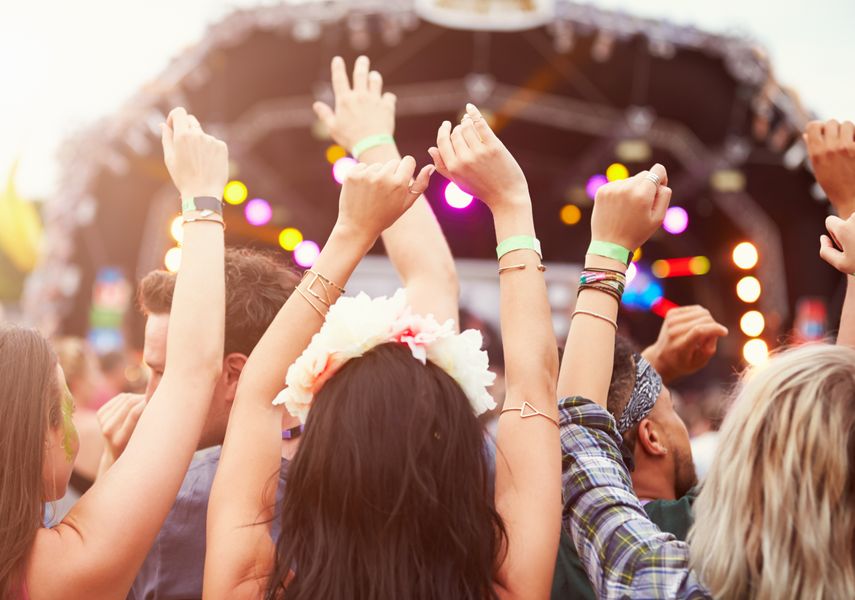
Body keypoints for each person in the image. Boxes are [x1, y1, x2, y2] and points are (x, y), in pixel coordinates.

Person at [94, 55, 460, 600]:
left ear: (239, 374)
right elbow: (433, 279)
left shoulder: (178, 503)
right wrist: (374, 143)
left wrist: (111, 475)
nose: (146, 397)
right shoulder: (399, 458)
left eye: (164, 374)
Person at [204, 100, 561, 598]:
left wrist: (350, 232)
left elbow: (258, 395)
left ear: (316, 470)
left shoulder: (249, 589)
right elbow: (535, 390)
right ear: (460, 464)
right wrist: (512, 206)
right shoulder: (511, 591)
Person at [559, 118, 855, 599]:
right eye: (670, 405)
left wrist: (607, 250)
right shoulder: (691, 526)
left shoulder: (665, 576)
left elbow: (578, 445)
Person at [0, 107, 227, 599]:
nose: (82, 420)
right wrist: (203, 198)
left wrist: (115, 465)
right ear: (32, 435)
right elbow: (194, 372)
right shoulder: (48, 573)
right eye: (66, 408)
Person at [552, 306, 727, 600]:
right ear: (651, 437)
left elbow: (582, 433)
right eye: (672, 409)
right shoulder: (707, 519)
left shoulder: (548, 551)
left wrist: (649, 369)